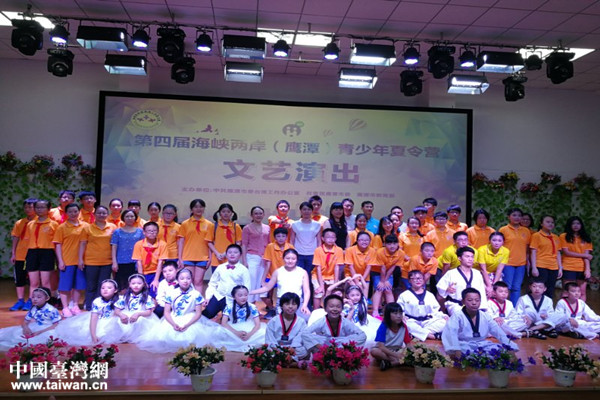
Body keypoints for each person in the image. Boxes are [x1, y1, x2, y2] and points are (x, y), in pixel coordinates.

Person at [138, 268, 215, 353]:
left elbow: (198, 313)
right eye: (182, 278)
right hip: (173, 319)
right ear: (177, 280)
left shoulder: (196, 294)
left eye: (188, 278)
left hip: (190, 319)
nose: (185, 281)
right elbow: (166, 312)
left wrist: (187, 325)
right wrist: (173, 324)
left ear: (191, 280)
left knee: (192, 340)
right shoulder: (171, 293)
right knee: (165, 339)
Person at [442, 288, 518, 359]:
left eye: (477, 300)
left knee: (501, 350)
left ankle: (479, 358)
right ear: (463, 301)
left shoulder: (485, 316)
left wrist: (510, 346)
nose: (474, 303)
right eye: (470, 300)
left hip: (483, 344)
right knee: (461, 351)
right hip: (464, 344)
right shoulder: (457, 316)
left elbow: (498, 332)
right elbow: (451, 333)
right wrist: (456, 349)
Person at [56, 279, 123, 345]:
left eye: (109, 288)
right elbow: (94, 318)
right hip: (100, 321)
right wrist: (93, 335)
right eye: (103, 288)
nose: (105, 290)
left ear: (115, 290)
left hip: (115, 322)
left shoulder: (120, 299)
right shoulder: (97, 301)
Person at [250, 248, 311, 318]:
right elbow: (267, 287)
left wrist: (305, 305)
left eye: (293, 259)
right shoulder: (278, 272)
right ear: (283, 258)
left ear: (297, 260)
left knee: (306, 318)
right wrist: (250, 292)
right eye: (287, 258)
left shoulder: (303, 272)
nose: (290, 261)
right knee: (283, 322)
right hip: (282, 302)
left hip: (297, 301)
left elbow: (306, 291)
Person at [79, 205, 117, 311]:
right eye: (99, 213)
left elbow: (115, 244)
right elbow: (82, 244)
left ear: (107, 214)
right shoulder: (87, 227)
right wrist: (80, 259)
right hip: (91, 261)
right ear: (94, 214)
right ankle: (89, 306)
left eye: (104, 213)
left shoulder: (112, 227)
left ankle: (100, 306)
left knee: (103, 286)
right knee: (91, 285)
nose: (101, 215)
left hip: (107, 261)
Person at [54, 203, 87, 317]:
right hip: (67, 260)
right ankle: (65, 307)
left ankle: (75, 305)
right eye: (70, 212)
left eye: (75, 211)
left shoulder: (86, 226)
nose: (73, 214)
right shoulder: (62, 227)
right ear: (66, 213)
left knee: (78, 285)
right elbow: (58, 245)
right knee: (65, 286)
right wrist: (60, 261)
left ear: (79, 212)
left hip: (81, 261)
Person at [302, 294, 367, 353]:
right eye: (331, 306)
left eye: (338, 307)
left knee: (361, 336)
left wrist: (347, 344)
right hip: (325, 345)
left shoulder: (345, 322)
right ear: (325, 309)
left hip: (342, 345)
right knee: (307, 336)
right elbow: (305, 333)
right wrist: (319, 346)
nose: (335, 309)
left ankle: (343, 352)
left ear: (342, 309)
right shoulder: (321, 321)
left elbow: (362, 334)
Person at [203, 244, 251, 319]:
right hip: (218, 296)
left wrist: (242, 301)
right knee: (205, 315)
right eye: (230, 252)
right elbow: (212, 283)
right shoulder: (220, 267)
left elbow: (247, 287)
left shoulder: (244, 270)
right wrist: (208, 297)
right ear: (226, 254)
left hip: (233, 299)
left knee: (230, 320)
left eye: (235, 252)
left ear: (240, 255)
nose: (232, 254)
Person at [436, 247, 488, 315]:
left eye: (472, 257)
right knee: (462, 316)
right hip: (456, 305)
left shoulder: (477, 273)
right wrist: (447, 289)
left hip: (474, 305)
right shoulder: (451, 273)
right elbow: (440, 287)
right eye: (467, 256)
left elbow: (481, 291)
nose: (470, 259)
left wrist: (483, 308)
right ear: (459, 258)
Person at [397, 270, 447, 341]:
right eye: (414, 279)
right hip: (411, 321)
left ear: (423, 280)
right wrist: (402, 316)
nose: (418, 280)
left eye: (420, 278)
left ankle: (417, 334)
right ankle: (432, 336)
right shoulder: (404, 295)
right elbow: (399, 310)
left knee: (444, 322)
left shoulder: (430, 295)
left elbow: (436, 310)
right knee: (404, 324)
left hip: (427, 321)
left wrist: (443, 316)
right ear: (409, 281)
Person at [177, 199, 214, 293]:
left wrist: (210, 258)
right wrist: (180, 258)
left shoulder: (209, 224)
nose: (198, 209)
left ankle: (198, 301)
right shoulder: (185, 224)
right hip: (187, 256)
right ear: (191, 209)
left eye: (201, 207)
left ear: (204, 208)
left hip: (203, 257)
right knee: (189, 282)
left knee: (198, 281)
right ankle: (189, 301)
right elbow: (181, 242)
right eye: (196, 207)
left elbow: (209, 242)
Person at [24, 200, 59, 298]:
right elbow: (27, 240)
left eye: (42, 207)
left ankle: (47, 301)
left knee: (45, 282)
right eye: (37, 207)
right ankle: (32, 302)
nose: (39, 209)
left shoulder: (54, 224)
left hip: (47, 253)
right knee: (33, 282)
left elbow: (57, 243)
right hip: (32, 252)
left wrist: (58, 258)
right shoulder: (30, 224)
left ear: (48, 209)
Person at [498, 207, 532, 306]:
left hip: (521, 263)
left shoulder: (526, 231)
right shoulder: (503, 230)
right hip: (507, 263)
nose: (517, 217)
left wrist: (528, 261)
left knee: (517, 287)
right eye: (514, 215)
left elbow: (527, 248)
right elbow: (499, 246)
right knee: (506, 287)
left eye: (519, 215)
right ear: (509, 217)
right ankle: (504, 308)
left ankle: (515, 309)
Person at [9, 198, 37, 311]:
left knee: (33, 279)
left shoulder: (39, 222)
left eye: (30, 207)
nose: (28, 209)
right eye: (26, 207)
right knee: (19, 278)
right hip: (20, 254)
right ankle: (20, 300)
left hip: (33, 253)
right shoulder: (19, 222)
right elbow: (16, 238)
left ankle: (31, 300)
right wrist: (13, 253)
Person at [218, 285, 266, 351]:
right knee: (219, 332)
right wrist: (237, 333)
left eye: (245, 295)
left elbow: (257, 324)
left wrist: (249, 335)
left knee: (264, 332)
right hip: (233, 327)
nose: (243, 297)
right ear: (234, 297)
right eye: (240, 295)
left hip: (249, 327)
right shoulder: (229, 306)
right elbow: (223, 323)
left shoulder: (252, 306)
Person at [114, 274, 159, 343]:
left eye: (139, 283)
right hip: (127, 315)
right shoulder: (124, 297)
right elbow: (117, 310)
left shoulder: (147, 298)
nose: (136, 285)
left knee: (139, 320)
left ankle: (137, 337)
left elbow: (149, 312)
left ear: (144, 284)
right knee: (118, 320)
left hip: (142, 316)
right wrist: (121, 314)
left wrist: (138, 314)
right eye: (133, 283)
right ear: (129, 285)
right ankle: (125, 336)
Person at [265, 292, 309, 362]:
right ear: (281, 306)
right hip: (277, 347)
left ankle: (282, 360)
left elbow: (300, 338)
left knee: (304, 351)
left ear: (298, 306)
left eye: (294, 304)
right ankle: (290, 360)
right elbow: (270, 338)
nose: (290, 306)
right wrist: (276, 349)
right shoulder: (273, 321)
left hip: (293, 348)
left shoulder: (301, 321)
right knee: (268, 350)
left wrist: (292, 348)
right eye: (287, 304)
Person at [262, 227, 294, 319]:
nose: (281, 238)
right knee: (263, 295)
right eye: (278, 236)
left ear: (286, 237)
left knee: (284, 295)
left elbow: (293, 263)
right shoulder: (270, 246)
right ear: (275, 237)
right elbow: (268, 263)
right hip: (271, 275)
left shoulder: (290, 247)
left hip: (286, 276)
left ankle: (282, 311)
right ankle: (272, 309)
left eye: (283, 236)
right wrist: (263, 279)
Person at [560, 216, 593, 301]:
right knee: (567, 292)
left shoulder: (585, 237)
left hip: (582, 267)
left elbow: (586, 256)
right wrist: (585, 255)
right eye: (573, 223)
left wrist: (587, 269)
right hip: (568, 266)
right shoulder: (564, 236)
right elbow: (566, 252)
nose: (576, 225)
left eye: (578, 223)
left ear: (581, 225)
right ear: (569, 225)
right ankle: (566, 309)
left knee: (581, 292)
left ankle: (580, 309)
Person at [110, 209, 144, 292]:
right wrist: (114, 262)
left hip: (135, 262)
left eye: (132, 216)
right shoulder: (117, 232)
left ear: (135, 218)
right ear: (123, 218)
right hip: (121, 262)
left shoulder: (140, 231)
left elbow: (143, 247)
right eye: (127, 216)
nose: (129, 218)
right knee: (121, 286)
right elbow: (114, 247)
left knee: (135, 285)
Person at [241, 206, 270, 303]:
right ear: (252, 215)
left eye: (260, 213)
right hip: (252, 257)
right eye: (256, 213)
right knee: (251, 281)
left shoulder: (267, 228)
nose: (258, 215)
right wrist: (244, 261)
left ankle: (255, 304)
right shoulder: (247, 228)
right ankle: (248, 303)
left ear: (263, 215)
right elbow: (244, 244)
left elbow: (269, 244)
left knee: (260, 282)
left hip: (264, 258)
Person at [371, 302, 411, 371]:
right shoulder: (383, 327)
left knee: (409, 353)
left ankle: (391, 363)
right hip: (385, 351)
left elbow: (408, 344)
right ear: (388, 315)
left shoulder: (404, 327)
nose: (399, 316)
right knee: (374, 351)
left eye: (400, 313)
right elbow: (381, 347)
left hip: (397, 349)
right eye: (395, 313)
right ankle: (398, 361)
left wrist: (414, 352)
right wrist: (396, 355)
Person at [530, 215, 562, 300]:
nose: (550, 224)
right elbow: (533, 251)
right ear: (541, 223)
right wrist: (534, 267)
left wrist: (560, 268)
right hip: (541, 265)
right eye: (548, 222)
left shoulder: (556, 237)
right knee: (539, 289)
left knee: (550, 289)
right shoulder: (536, 235)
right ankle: (537, 306)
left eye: (552, 222)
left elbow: (558, 253)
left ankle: (548, 307)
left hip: (553, 266)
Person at [132, 221, 168, 297]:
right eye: (149, 231)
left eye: (154, 230)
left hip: (156, 273)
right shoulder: (138, 244)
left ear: (158, 232)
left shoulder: (162, 244)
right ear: (144, 232)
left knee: (155, 291)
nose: (152, 232)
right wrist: (141, 279)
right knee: (142, 293)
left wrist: (156, 280)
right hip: (143, 273)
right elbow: (139, 263)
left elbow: (160, 262)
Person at [373, 234, 405, 317]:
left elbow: (393, 267)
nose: (392, 246)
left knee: (388, 289)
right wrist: (382, 281)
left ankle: (392, 311)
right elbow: (382, 268)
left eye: (394, 243)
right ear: (384, 244)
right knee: (379, 288)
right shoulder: (380, 252)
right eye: (389, 244)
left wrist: (386, 280)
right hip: (377, 271)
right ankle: (375, 311)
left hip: (389, 272)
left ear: (398, 244)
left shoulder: (401, 253)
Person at [312, 229, 344, 309]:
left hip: (332, 275)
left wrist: (335, 284)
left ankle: (329, 310)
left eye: (333, 237)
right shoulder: (318, 250)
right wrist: (321, 286)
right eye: (328, 237)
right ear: (323, 238)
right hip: (318, 275)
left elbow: (337, 267)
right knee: (319, 292)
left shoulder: (339, 250)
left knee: (336, 292)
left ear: (336, 239)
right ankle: (315, 312)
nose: (331, 239)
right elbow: (318, 268)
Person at [290, 201, 322, 279]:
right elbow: (292, 240)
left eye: (309, 209)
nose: (306, 211)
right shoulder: (295, 224)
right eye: (304, 209)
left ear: (312, 211)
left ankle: (309, 288)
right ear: (300, 211)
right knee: (298, 276)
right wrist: (292, 252)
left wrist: (319, 253)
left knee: (310, 276)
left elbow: (319, 240)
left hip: (312, 254)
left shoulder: (317, 224)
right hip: (298, 253)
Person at [208, 203, 242, 268]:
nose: (226, 214)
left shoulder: (236, 226)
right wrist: (217, 253)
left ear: (232, 213)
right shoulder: (213, 226)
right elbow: (209, 242)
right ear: (219, 213)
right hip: (217, 258)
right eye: (223, 211)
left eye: (228, 212)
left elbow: (239, 242)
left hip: (232, 258)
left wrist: (226, 253)